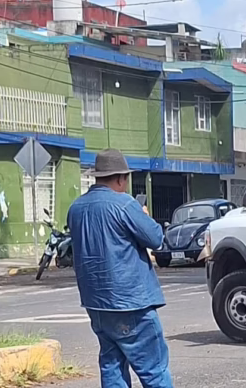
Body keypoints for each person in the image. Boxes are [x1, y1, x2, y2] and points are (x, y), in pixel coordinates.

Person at [68, 148, 171, 388]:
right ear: (120, 178)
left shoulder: (76, 208)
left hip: (96, 303)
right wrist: (144, 214)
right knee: (154, 371)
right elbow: (156, 238)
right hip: (131, 302)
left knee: (112, 365)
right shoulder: (125, 204)